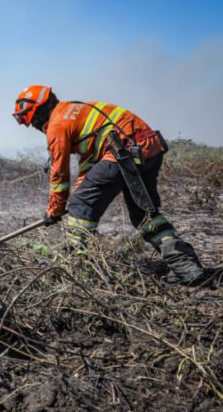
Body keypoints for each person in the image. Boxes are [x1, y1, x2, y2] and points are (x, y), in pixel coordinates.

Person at [12, 85, 210, 285]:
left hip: (123, 152)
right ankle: (186, 267)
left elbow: (59, 174)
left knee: (81, 207)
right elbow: (90, 165)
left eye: (32, 120)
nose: (35, 126)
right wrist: (79, 193)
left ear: (39, 110)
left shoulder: (57, 124)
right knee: (143, 215)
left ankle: (78, 269)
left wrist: (55, 210)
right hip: (148, 148)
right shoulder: (74, 110)